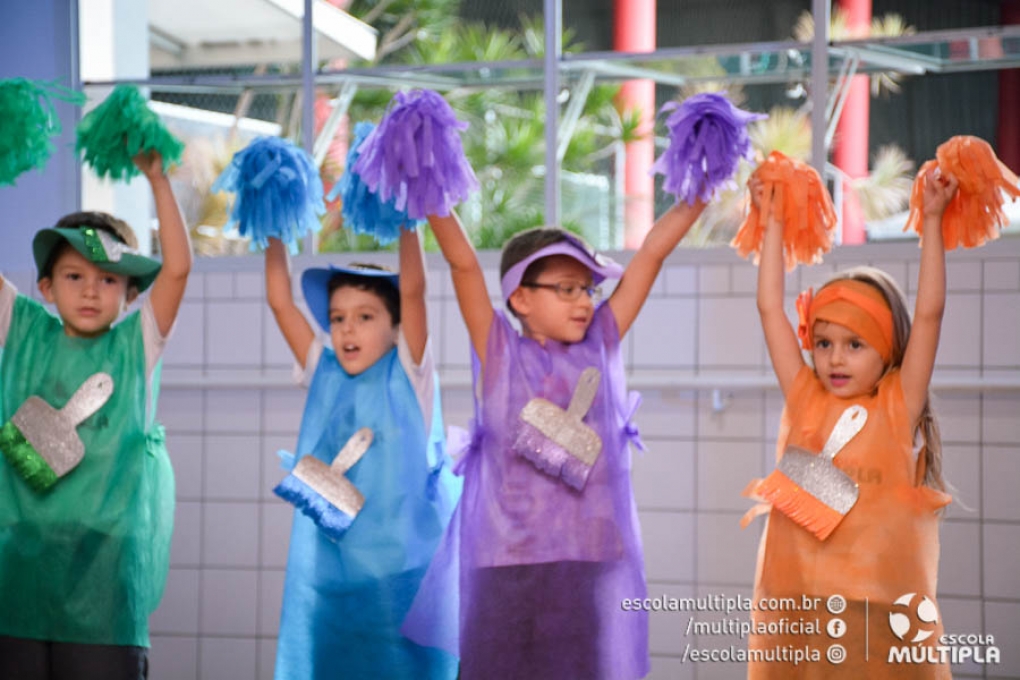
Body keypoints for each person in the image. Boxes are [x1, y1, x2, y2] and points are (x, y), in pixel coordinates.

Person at [408, 200, 704, 680]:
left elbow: (650, 254)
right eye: (567, 289)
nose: (584, 301)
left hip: (588, 564)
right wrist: (433, 190)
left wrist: (699, 197)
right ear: (520, 298)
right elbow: (463, 264)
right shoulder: (500, 352)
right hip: (506, 567)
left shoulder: (601, 342)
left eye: (588, 289)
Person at [744, 167, 958, 678]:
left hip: (876, 616)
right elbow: (769, 307)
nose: (835, 359)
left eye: (855, 344)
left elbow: (930, 314)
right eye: (823, 343)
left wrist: (931, 220)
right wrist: (772, 221)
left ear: (887, 349)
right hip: (798, 611)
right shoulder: (805, 396)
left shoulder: (898, 404)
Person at [0, 151, 192, 680]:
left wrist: (158, 179)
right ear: (45, 287)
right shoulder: (21, 330)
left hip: (105, 583)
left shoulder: (138, 345)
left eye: (108, 279)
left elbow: (177, 269)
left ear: (131, 294)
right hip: (16, 576)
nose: (90, 289)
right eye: (73, 275)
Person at [265, 226, 459, 680]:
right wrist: (272, 221)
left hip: (400, 582)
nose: (347, 329)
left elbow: (414, 290)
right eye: (337, 318)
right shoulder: (324, 371)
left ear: (397, 328)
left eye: (365, 316)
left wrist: (410, 217)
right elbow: (280, 302)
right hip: (333, 584)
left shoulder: (410, 373)